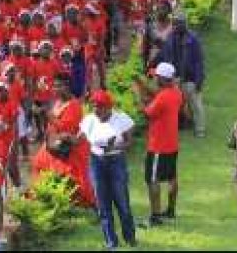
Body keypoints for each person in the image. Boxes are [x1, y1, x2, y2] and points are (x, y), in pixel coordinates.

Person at [78, 89, 137, 249]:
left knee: (122, 202)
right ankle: (111, 242)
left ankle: (130, 237)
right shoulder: (89, 120)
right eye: (94, 106)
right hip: (97, 162)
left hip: (116, 161)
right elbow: (80, 137)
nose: (97, 110)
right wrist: (69, 139)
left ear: (109, 107)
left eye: (100, 107)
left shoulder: (121, 119)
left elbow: (130, 142)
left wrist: (115, 146)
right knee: (103, 204)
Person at [142, 62, 184, 226]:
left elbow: (147, 114)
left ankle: (155, 216)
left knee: (153, 179)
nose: (154, 79)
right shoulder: (177, 93)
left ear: (163, 79)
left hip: (158, 145)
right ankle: (171, 211)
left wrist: (142, 101)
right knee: (172, 177)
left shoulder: (162, 96)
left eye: (156, 77)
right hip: (172, 144)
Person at [157, 12, 206, 138]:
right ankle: (178, 126)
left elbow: (199, 61)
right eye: (175, 23)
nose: (176, 26)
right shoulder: (171, 37)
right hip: (175, 78)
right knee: (174, 105)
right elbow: (165, 55)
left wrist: (199, 80)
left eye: (179, 23)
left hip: (190, 78)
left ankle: (200, 130)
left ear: (185, 24)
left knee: (195, 104)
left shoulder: (193, 38)